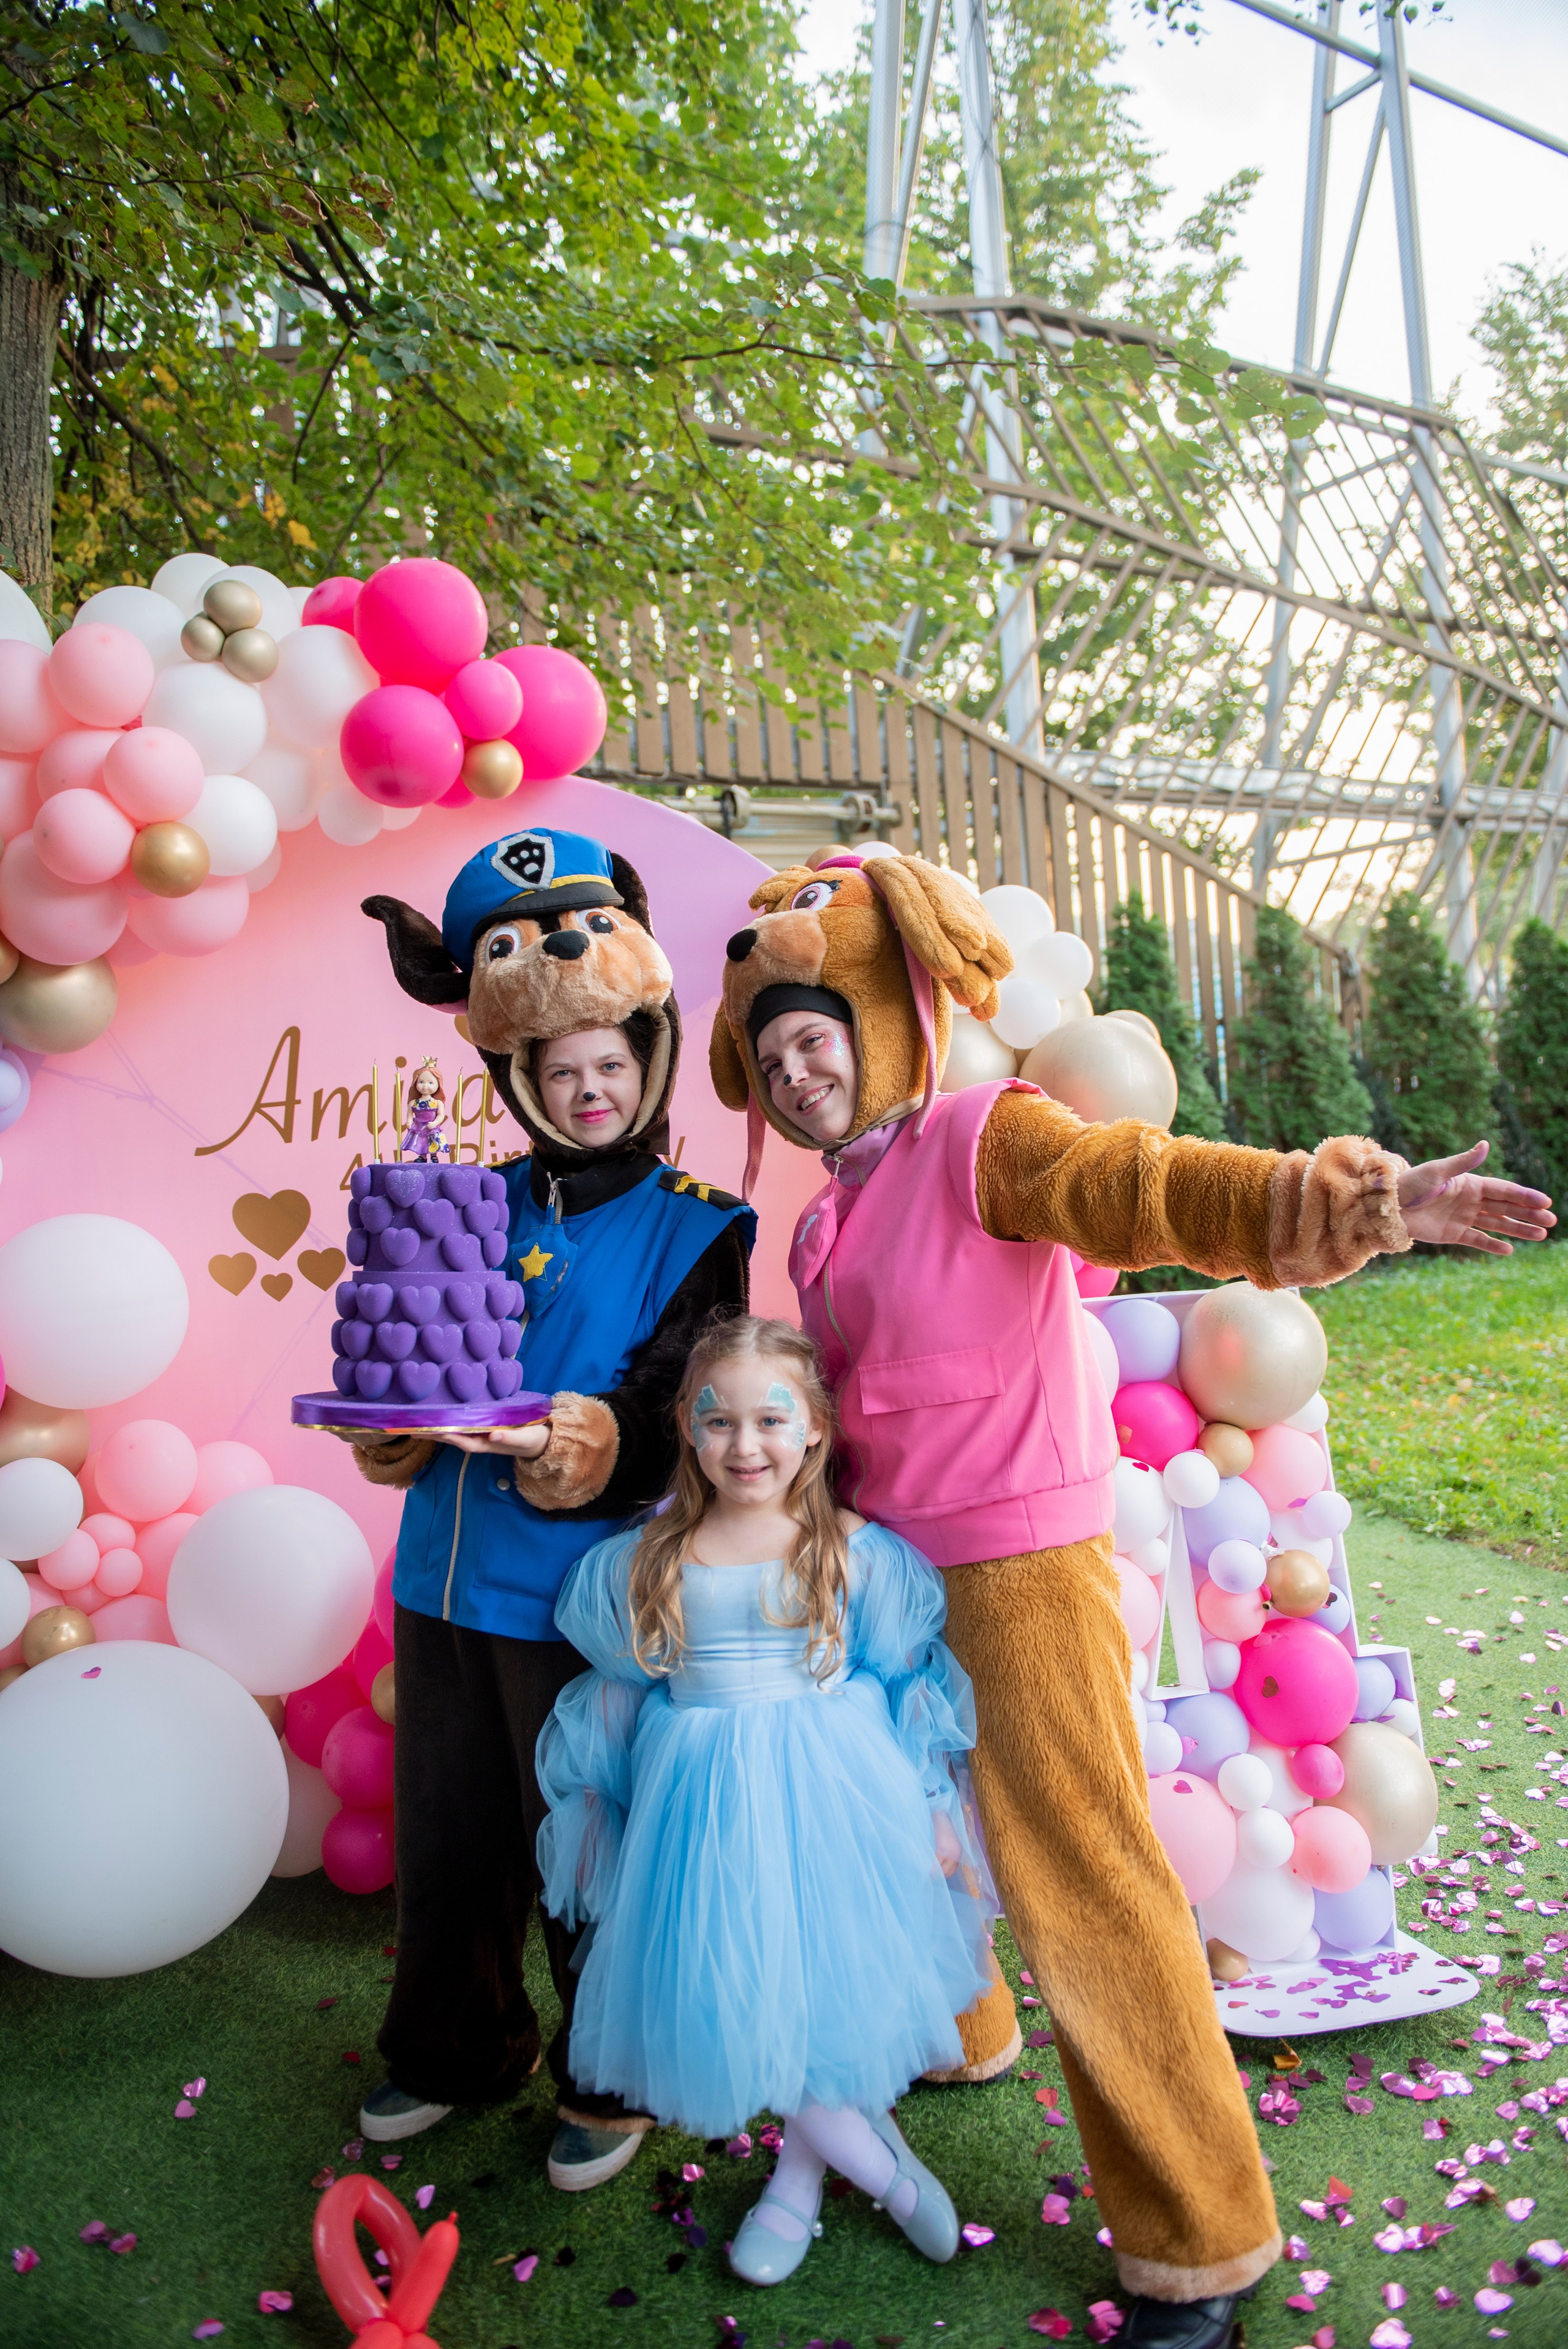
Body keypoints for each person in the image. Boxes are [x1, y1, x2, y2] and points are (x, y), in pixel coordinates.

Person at [709, 845, 1555, 2349]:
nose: (795, 1071)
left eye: (816, 1034)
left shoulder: (981, 1136)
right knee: (901, 1833)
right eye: (771, 1056)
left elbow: (1143, 1184)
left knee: (1086, 1884)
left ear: (888, 1018)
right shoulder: (825, 1217)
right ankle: (959, 2033)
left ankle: (1198, 2240)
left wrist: (1341, 1200)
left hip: (1015, 1577)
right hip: (891, 1582)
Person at [345, 826, 755, 2195]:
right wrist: (392, 1429)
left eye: (611, 1067)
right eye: (562, 1070)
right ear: (521, 1077)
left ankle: (612, 2074)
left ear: (650, 1060)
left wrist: (581, 1440)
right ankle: (456, 2046)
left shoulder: (702, 1225)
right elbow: (417, 1363)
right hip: (439, 1581)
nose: (590, 1091)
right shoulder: (464, 1204)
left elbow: (682, 1412)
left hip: (579, 1596)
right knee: (450, 1837)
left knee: (584, 1845)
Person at [535, 1314, 992, 2285]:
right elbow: (623, 1689)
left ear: (815, 1426)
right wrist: (607, 1816)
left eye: (771, 1419)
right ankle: (886, 2173)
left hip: (836, 1791)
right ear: (688, 1429)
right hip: (704, 1806)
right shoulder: (651, 1556)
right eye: (719, 1421)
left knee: (820, 1987)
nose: (746, 1445)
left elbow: (901, 1680)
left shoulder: (852, 1550)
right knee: (747, 1985)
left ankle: (804, 2181)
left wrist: (928, 1800)